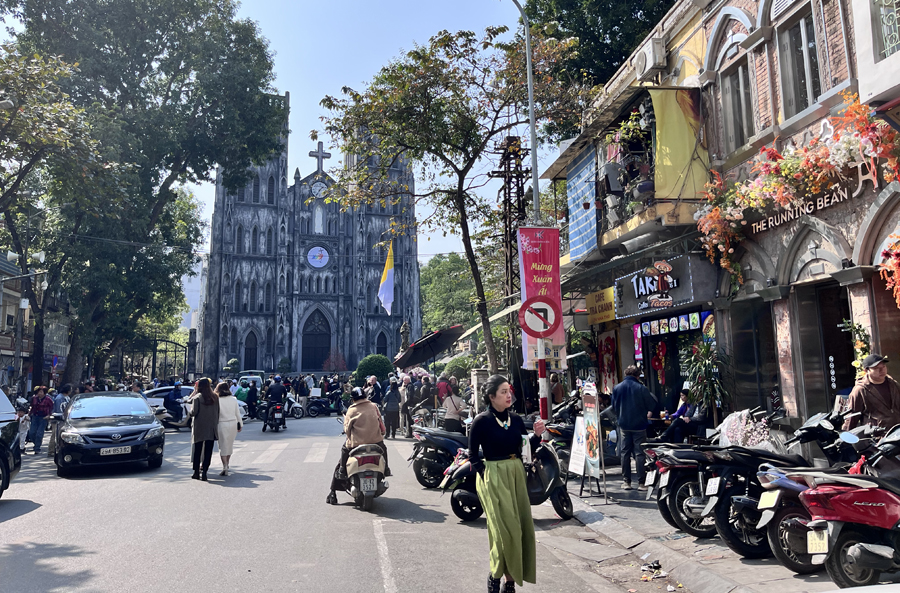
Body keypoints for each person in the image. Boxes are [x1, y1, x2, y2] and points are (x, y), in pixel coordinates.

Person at [468, 375, 545, 593]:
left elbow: (524, 448)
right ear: (491, 397)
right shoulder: (481, 421)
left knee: (519, 529)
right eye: (502, 392)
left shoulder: (517, 420)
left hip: (516, 475)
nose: (508, 395)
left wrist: (537, 436)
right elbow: (472, 454)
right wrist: (487, 475)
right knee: (503, 530)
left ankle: (509, 582)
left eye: (508, 390)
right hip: (494, 476)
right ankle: (495, 575)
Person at [326, 387, 389, 504]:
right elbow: (381, 424)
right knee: (384, 449)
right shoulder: (373, 406)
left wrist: (346, 422)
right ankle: (386, 469)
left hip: (356, 444)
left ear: (353, 399)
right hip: (375, 442)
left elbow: (347, 430)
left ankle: (341, 474)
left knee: (343, 455)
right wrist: (381, 433)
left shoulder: (351, 410)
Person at [611, 365, 657, 491]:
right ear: (637, 375)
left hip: (624, 425)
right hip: (639, 425)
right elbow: (651, 405)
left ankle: (627, 482)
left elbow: (614, 406)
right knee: (639, 453)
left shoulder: (617, 388)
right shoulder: (641, 388)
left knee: (625, 453)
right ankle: (641, 483)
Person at [843, 353, 900, 430]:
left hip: (896, 432)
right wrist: (846, 436)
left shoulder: (892, 383)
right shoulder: (860, 390)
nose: (882, 370)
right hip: (877, 436)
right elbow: (852, 416)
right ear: (866, 370)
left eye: (883, 366)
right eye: (876, 368)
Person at [189, 378, 219, 481]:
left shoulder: (197, 398)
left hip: (199, 426)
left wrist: (189, 411)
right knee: (208, 451)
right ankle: (205, 471)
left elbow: (193, 412)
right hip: (211, 427)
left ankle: (196, 472)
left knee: (198, 450)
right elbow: (217, 412)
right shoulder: (215, 397)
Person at [214, 381, 243, 476]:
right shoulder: (233, 399)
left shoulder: (216, 400)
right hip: (233, 423)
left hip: (221, 424)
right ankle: (227, 464)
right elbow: (237, 413)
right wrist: (240, 424)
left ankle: (225, 466)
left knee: (222, 446)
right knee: (230, 445)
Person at [47, 384, 72, 457]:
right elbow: (58, 410)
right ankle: (51, 450)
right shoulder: (59, 398)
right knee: (55, 435)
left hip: (65, 420)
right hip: (58, 420)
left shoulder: (67, 397)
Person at [26, 387, 53, 454]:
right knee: (31, 432)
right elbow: (32, 407)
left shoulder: (48, 399)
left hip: (43, 417)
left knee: (39, 433)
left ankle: (37, 448)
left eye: (41, 392)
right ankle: (36, 443)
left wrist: (49, 415)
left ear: (44, 393)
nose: (39, 393)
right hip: (35, 416)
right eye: (39, 392)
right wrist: (28, 414)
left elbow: (52, 407)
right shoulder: (34, 398)